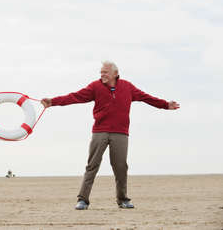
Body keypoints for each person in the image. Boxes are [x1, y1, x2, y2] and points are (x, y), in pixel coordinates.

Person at [41, 61, 180, 210]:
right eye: (101, 72)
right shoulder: (95, 86)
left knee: (120, 167)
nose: (102, 75)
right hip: (100, 131)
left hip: (120, 133)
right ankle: (83, 200)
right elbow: (75, 97)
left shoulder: (128, 87)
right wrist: (53, 102)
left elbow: (147, 98)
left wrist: (166, 105)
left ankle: (123, 200)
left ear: (115, 73)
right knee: (92, 165)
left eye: (105, 72)